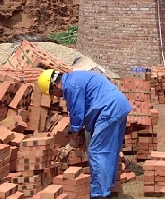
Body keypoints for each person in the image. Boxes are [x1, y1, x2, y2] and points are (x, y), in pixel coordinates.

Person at [37, 69, 132, 198]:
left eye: (54, 93)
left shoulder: (71, 86)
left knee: (97, 150)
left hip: (109, 109)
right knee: (109, 151)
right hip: (119, 106)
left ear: (54, 86)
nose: (57, 97)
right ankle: (107, 187)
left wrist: (72, 141)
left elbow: (77, 115)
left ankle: (99, 194)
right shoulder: (73, 79)